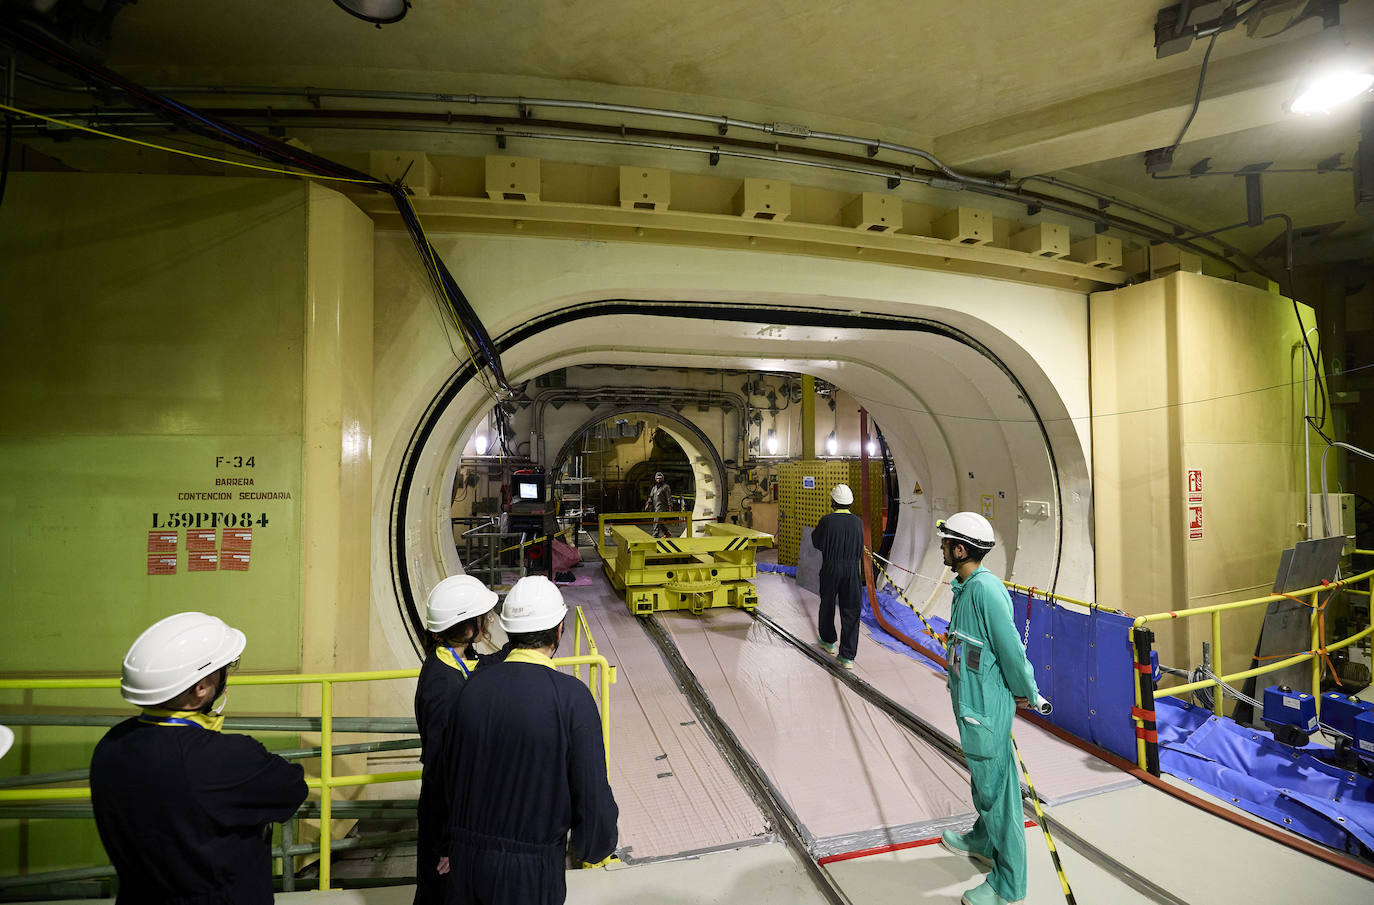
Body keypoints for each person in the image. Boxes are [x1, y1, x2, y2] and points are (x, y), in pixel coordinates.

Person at [90, 612, 307, 904]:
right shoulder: (226, 756)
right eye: (223, 668)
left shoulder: (111, 745)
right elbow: (292, 786)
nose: (227, 674)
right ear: (201, 688)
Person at [443, 575, 618, 905]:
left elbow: (450, 775)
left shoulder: (471, 688)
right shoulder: (571, 699)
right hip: (528, 873)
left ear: (509, 631)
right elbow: (592, 793)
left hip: (464, 865)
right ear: (559, 629)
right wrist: (593, 846)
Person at [935, 512, 1040, 905]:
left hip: (986, 712)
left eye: (946, 542)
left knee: (1000, 798)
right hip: (971, 705)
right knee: (985, 784)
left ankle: (1009, 885)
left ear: (960, 549)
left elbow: (1011, 649)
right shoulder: (964, 587)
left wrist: (1026, 688)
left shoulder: (986, 591)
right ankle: (982, 839)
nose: (942, 546)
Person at [414, 574, 501, 904]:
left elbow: (480, 666)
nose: (490, 619)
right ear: (467, 627)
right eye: (484, 615)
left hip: (457, 815)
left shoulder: (450, 659)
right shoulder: (443, 689)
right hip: (447, 822)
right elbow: (441, 769)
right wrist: (448, 842)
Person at [810, 483, 864, 669]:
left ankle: (828, 641)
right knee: (851, 611)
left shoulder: (827, 521)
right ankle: (847, 656)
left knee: (827, 604)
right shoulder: (858, 522)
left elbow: (817, 542)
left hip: (831, 568)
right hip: (852, 571)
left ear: (833, 501)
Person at [643, 470, 674, 538]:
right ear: (655, 479)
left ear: (662, 479)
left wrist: (670, 506)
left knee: (656, 520)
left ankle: (655, 534)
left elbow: (669, 497)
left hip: (662, 507)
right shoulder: (654, 488)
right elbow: (651, 497)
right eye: (657, 478)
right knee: (659, 521)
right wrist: (648, 504)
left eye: (660, 478)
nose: (659, 480)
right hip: (656, 507)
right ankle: (667, 533)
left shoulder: (666, 487)